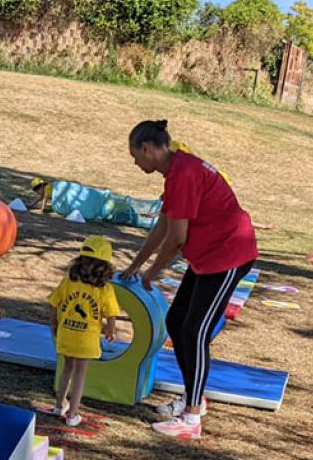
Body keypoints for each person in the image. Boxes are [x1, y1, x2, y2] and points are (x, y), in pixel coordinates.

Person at [122, 120, 258, 441]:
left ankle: (192, 417)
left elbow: (176, 239)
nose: (135, 162)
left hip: (228, 254)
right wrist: (136, 265)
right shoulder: (176, 172)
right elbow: (163, 227)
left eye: (134, 155)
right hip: (208, 255)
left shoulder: (183, 173)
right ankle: (193, 397)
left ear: (148, 148)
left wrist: (152, 273)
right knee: (177, 320)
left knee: (194, 330)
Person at [48, 235, 120, 427]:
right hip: (86, 339)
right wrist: (111, 330)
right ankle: (72, 414)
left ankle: (58, 405)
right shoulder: (105, 289)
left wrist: (54, 325)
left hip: (67, 333)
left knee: (66, 368)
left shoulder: (67, 283)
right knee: (80, 375)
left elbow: (53, 305)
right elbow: (111, 313)